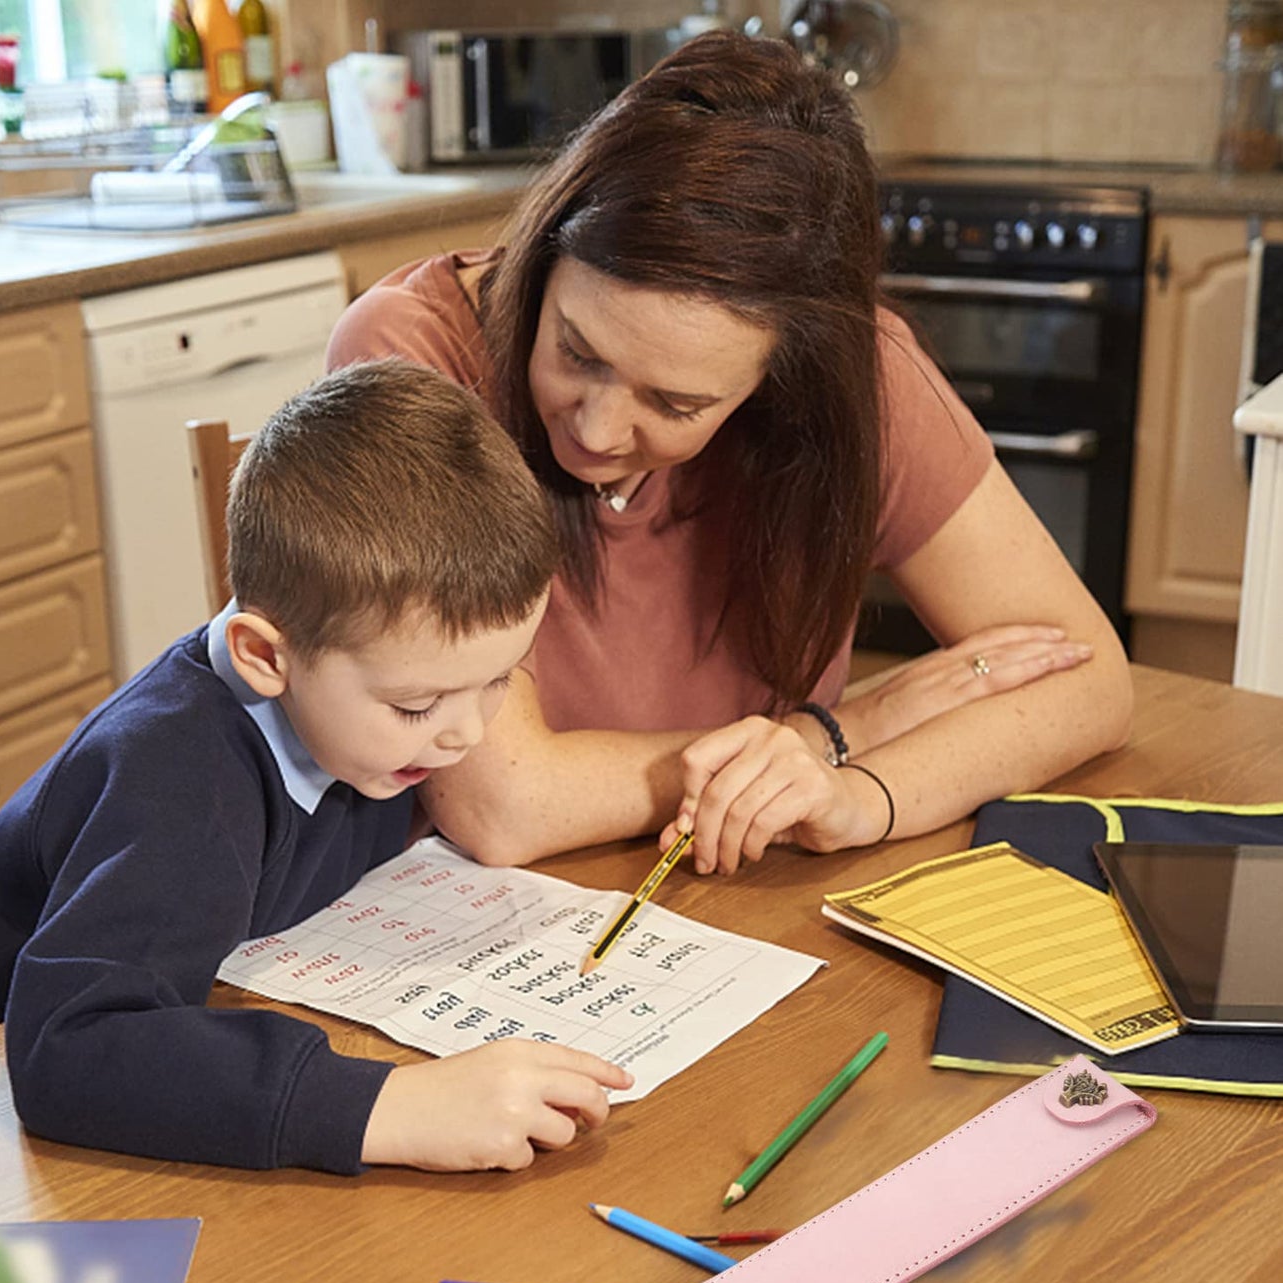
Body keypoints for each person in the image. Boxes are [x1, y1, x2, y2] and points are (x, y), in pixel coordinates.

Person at [326, 30, 1132, 878]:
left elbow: (1090, 682)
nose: (596, 431)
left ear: (782, 382)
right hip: (483, 926)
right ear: (548, 249)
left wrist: (863, 796)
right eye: (577, 349)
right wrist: (841, 731)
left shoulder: (861, 377)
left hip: (751, 898)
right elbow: (505, 803)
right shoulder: (412, 354)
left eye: (676, 403)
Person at [0, 359, 630, 1175]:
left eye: (499, 679)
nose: (465, 734)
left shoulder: (364, 718)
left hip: (226, 1015)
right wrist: (386, 1108)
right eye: (415, 705)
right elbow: (65, 1049)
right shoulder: (178, 783)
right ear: (263, 655)